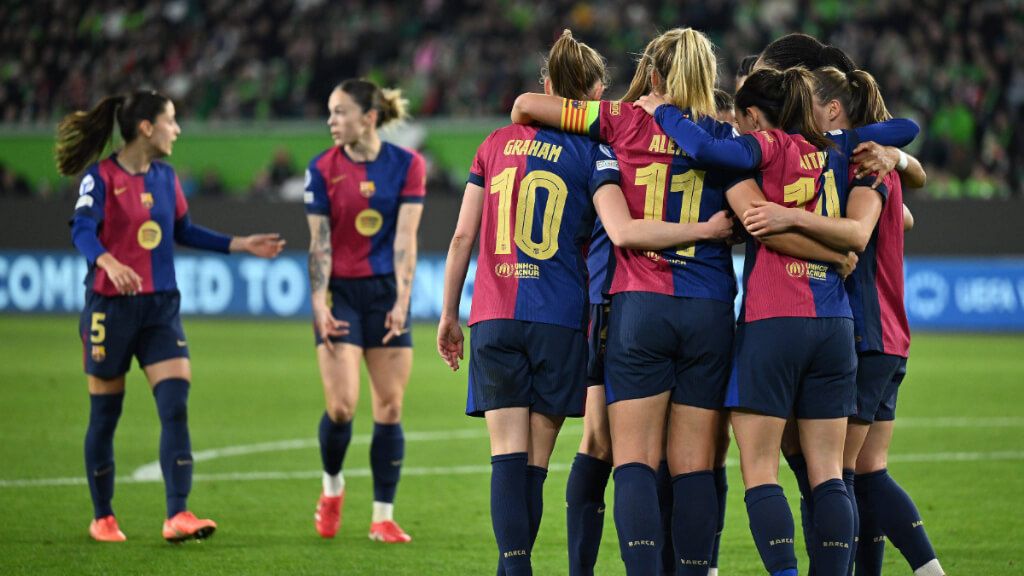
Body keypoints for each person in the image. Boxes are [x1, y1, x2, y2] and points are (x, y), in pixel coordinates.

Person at [438, 30, 733, 576]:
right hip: (642, 309)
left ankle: (535, 567)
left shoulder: (603, 127)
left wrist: (448, 312)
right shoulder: (713, 137)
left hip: (600, 307)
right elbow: (736, 213)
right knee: (691, 457)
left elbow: (467, 229)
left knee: (598, 453)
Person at [637, 66, 918, 576]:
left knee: (760, 467)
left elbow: (708, 152)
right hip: (834, 324)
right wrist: (895, 155)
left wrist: (666, 114)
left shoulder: (764, 148)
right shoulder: (838, 148)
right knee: (830, 472)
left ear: (752, 115)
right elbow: (905, 127)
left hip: (773, 319)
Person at [512, 28, 754, 576]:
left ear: (653, 72)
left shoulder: (617, 121)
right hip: (710, 305)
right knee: (694, 465)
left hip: (639, 305)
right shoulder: (724, 136)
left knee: (634, 463)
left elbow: (526, 106)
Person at [59, 90, 285, 543]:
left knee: (175, 407)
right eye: (172, 120)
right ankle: (102, 516)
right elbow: (82, 229)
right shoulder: (100, 177)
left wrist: (241, 244)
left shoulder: (165, 177)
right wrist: (107, 261)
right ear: (147, 127)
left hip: (161, 307)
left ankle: (177, 514)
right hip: (110, 307)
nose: (177, 129)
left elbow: (183, 230)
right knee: (105, 416)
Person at [744, 66, 944, 576]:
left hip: (864, 329)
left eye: (811, 100)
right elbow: (906, 210)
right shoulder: (867, 165)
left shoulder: (855, 163)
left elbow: (857, 231)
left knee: (839, 475)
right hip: (889, 337)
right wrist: (902, 160)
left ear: (833, 110)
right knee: (859, 471)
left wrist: (786, 214)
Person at [304, 78, 424, 544]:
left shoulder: (408, 166)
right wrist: (319, 301)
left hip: (385, 295)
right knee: (341, 407)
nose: (331, 121)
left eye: (339, 112)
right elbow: (320, 244)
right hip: (343, 297)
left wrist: (402, 301)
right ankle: (332, 488)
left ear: (369, 118)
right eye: (330, 113)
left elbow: (405, 239)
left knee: (390, 407)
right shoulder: (322, 169)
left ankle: (382, 516)